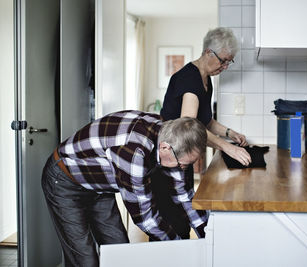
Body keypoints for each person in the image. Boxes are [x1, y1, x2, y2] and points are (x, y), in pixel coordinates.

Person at [41, 110, 208, 267]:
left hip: (99, 186)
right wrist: (180, 247)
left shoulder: (170, 135)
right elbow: (146, 219)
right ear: (165, 147)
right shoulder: (134, 153)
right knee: (85, 259)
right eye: (183, 164)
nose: (182, 168)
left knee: (118, 249)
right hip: (65, 181)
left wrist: (207, 237)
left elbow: (184, 196)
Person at [160, 27, 252, 166]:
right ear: (209, 52)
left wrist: (230, 133)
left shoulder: (206, 78)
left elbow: (205, 121)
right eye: (224, 60)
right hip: (172, 153)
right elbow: (190, 129)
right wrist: (227, 147)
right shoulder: (190, 78)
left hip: (184, 151)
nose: (225, 66)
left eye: (229, 62)